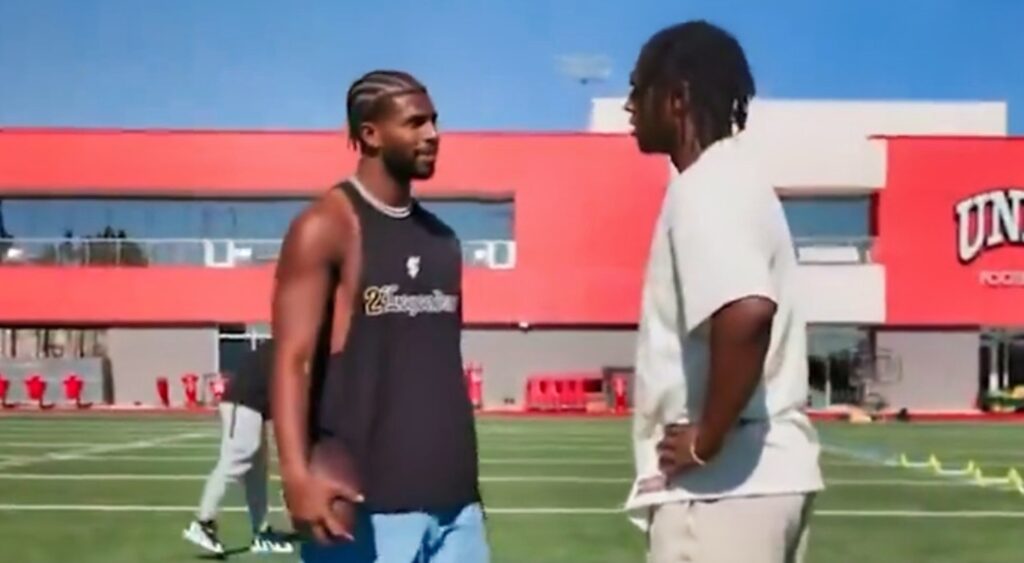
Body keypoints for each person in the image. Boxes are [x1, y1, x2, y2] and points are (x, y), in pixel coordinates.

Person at [622, 20, 825, 563]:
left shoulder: (706, 186)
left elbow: (747, 310)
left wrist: (705, 439)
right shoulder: (733, 179)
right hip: (755, 483)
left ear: (677, 99)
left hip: (725, 491)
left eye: (637, 89)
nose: (628, 106)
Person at [270, 69, 489, 563]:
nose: (433, 134)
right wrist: (296, 475)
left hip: (457, 509)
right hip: (368, 512)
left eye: (434, 121)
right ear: (370, 134)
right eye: (415, 123)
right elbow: (293, 359)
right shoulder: (327, 226)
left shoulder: (443, 240)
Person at [183, 339, 294, 555]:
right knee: (234, 461)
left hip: (255, 407)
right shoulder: (290, 345)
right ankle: (203, 522)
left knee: (257, 472)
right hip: (243, 403)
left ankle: (261, 532)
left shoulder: (286, 344)